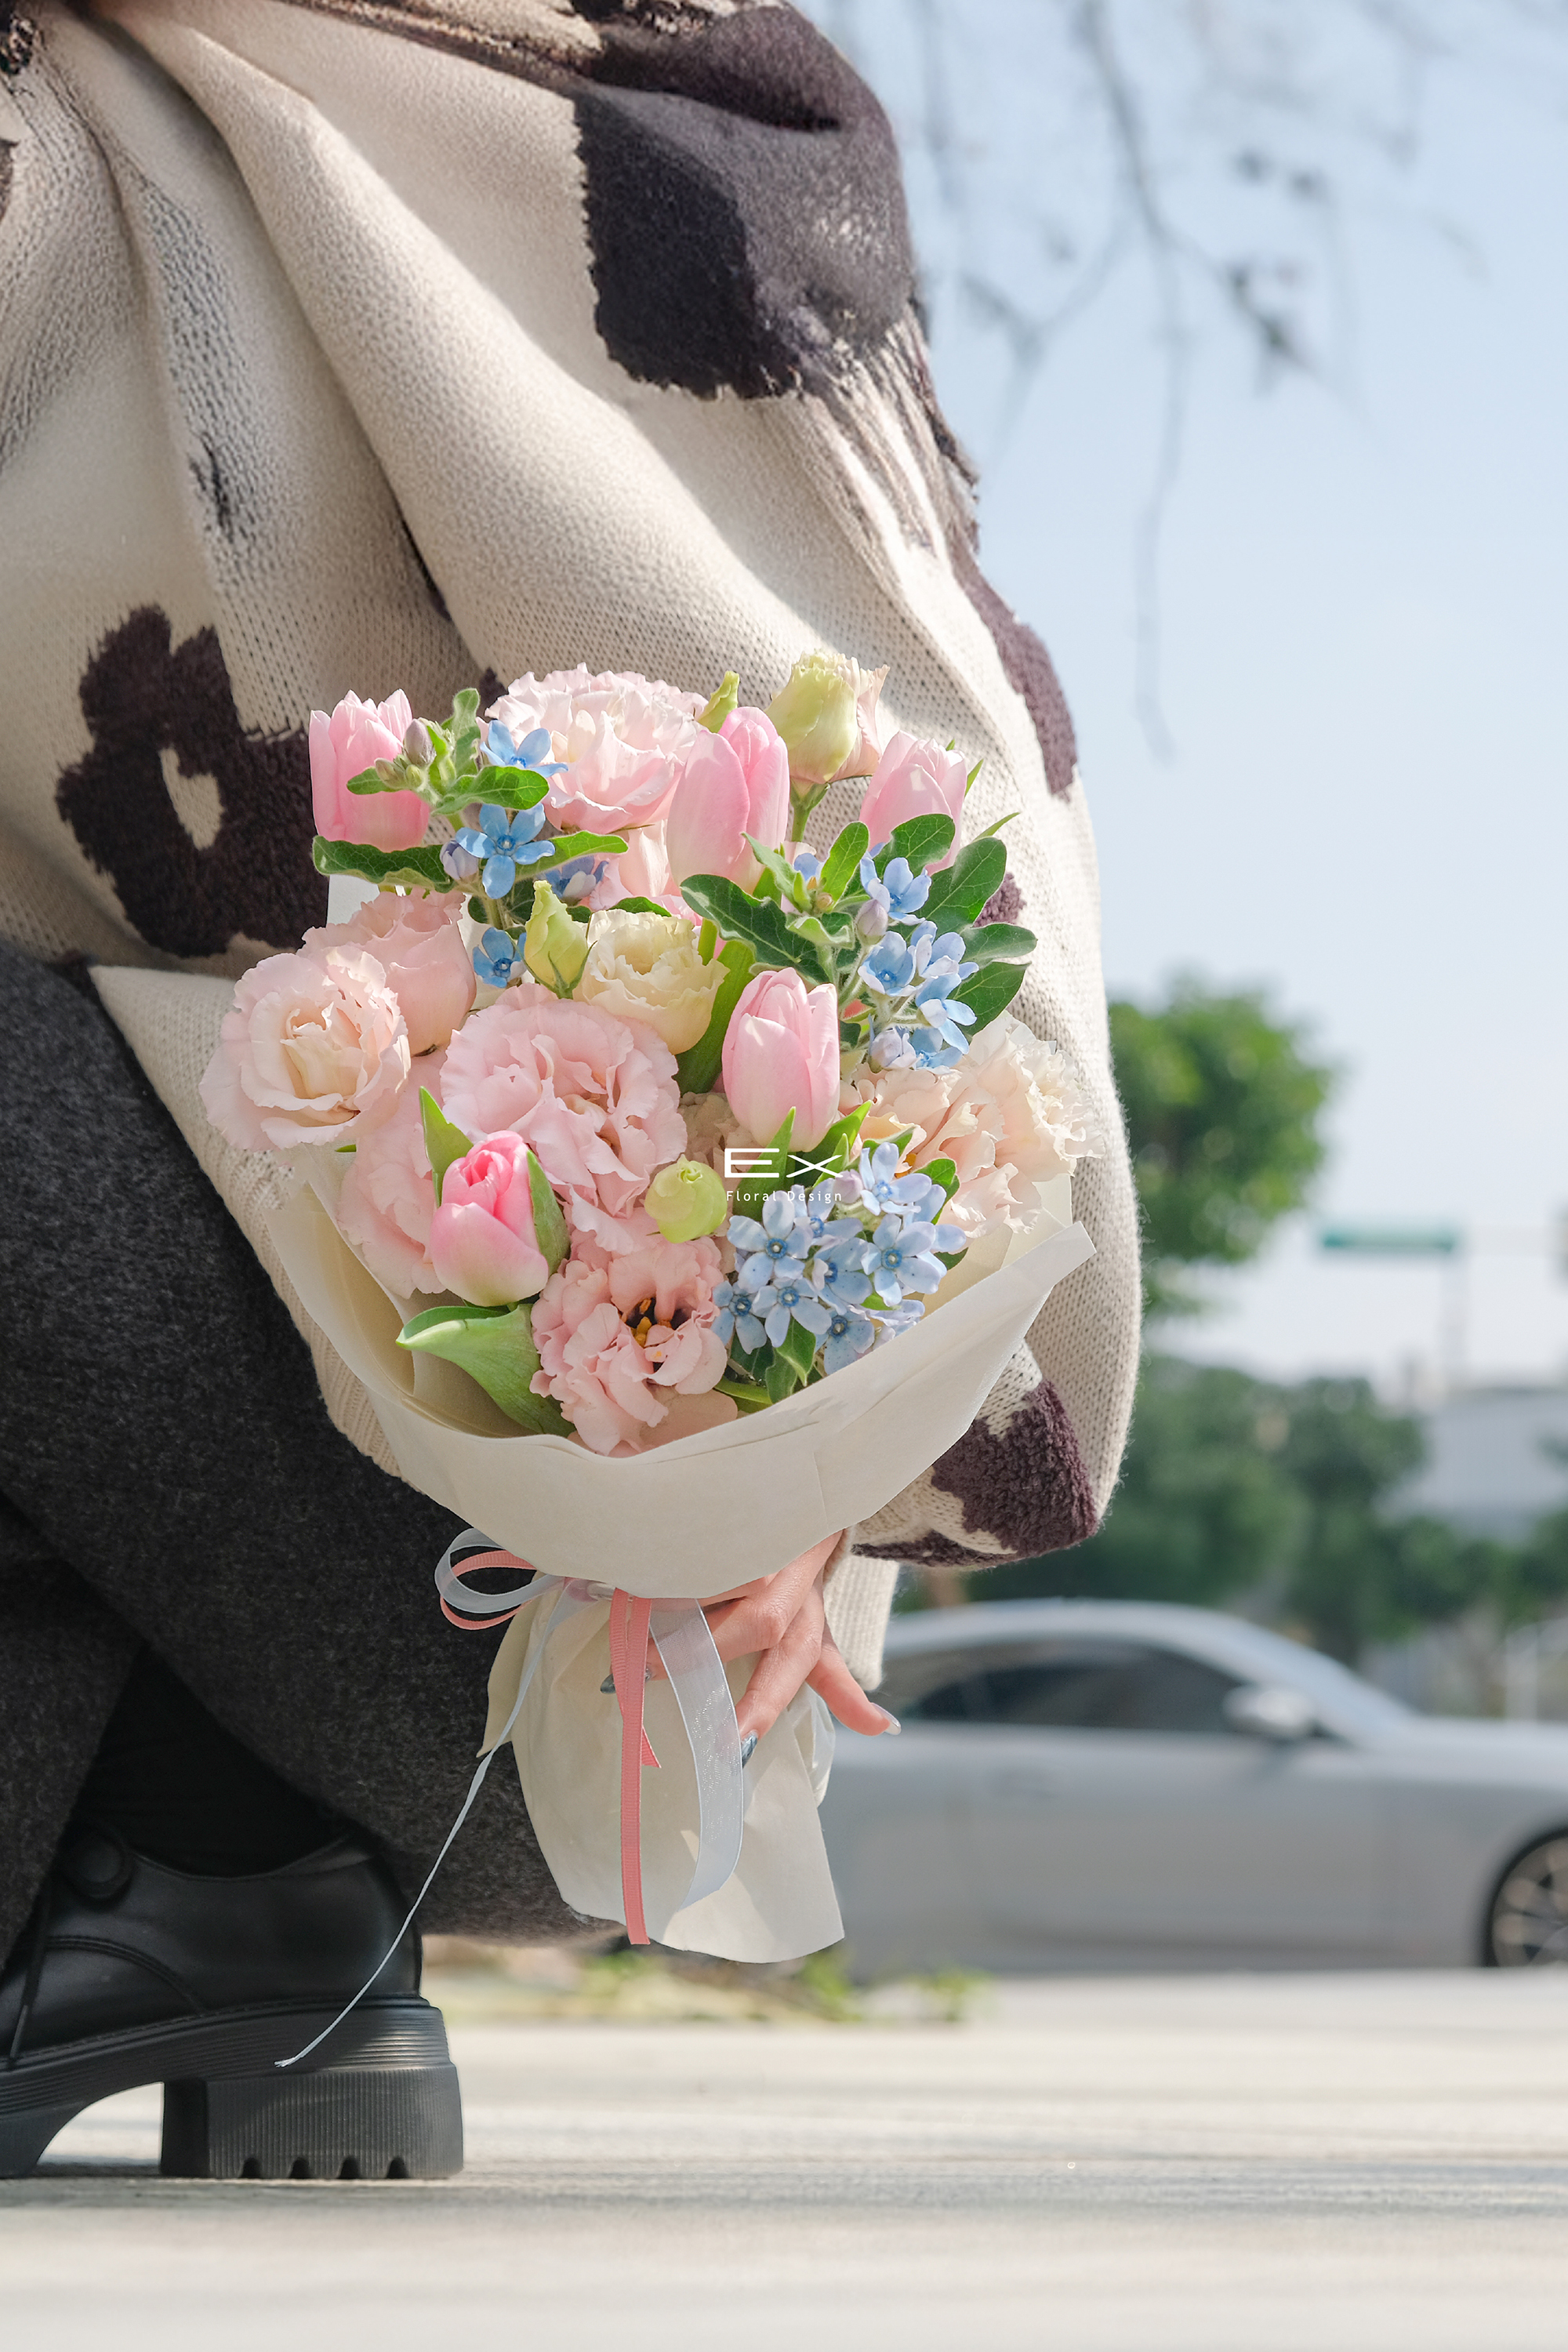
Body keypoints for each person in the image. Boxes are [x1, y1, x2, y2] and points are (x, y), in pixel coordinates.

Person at [0, 0, 1139, 2178]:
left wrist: (769, 1432)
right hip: (585, 1678)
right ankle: (217, 1882)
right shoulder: (681, 109)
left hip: (555, 1619)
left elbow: (909, 863)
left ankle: (211, 1852)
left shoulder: (656, 141)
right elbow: (949, 824)